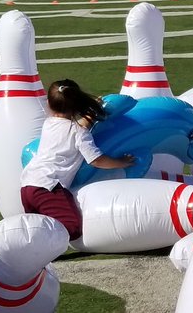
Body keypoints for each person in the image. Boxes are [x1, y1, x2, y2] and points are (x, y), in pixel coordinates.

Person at [20, 79, 135, 239]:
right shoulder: (79, 132)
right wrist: (121, 162)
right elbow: (96, 160)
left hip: (28, 185)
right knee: (72, 228)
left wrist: (89, 115)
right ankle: (42, 250)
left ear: (48, 104)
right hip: (49, 186)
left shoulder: (49, 123)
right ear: (77, 106)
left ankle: (34, 254)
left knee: (37, 228)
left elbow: (71, 126)